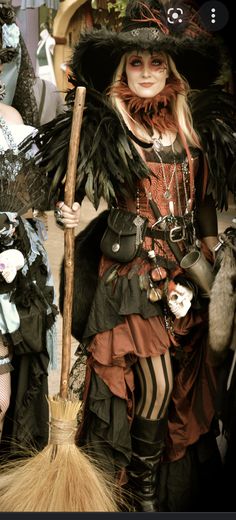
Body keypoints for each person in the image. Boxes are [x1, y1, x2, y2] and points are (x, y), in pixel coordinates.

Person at [28, 0, 236, 512]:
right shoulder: (107, 125)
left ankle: (162, 491)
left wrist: (213, 258)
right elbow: (71, 188)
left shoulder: (194, 130)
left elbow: (206, 207)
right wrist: (69, 215)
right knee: (156, 379)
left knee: (178, 389)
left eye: (157, 62)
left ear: (172, 69)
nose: (146, 72)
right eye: (136, 63)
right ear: (123, 69)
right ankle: (139, 492)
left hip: (188, 273)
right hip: (131, 276)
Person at [0, 56, 58, 453]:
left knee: (3, 400)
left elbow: (34, 201)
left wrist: (56, 211)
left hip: (10, 268)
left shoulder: (11, 118)